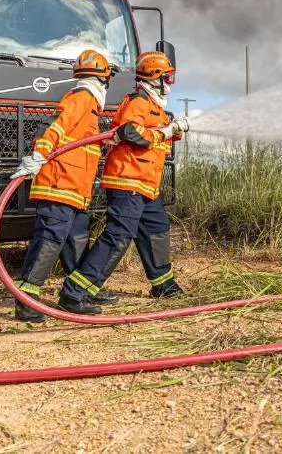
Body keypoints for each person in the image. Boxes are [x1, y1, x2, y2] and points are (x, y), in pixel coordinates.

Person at [57, 51, 188, 314]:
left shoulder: (155, 106)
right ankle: (75, 292)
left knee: (156, 228)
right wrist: (164, 132)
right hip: (127, 180)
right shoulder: (138, 101)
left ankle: (163, 284)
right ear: (155, 78)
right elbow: (129, 131)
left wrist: (171, 130)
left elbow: (155, 136)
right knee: (118, 236)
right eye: (168, 77)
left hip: (146, 185)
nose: (171, 83)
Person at [10, 49, 119, 322]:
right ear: (103, 79)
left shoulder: (90, 108)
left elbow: (78, 140)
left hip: (75, 191)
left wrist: (108, 139)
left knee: (76, 241)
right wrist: (37, 157)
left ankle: (76, 294)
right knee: (49, 241)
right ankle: (26, 301)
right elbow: (56, 129)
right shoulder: (82, 98)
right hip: (59, 186)